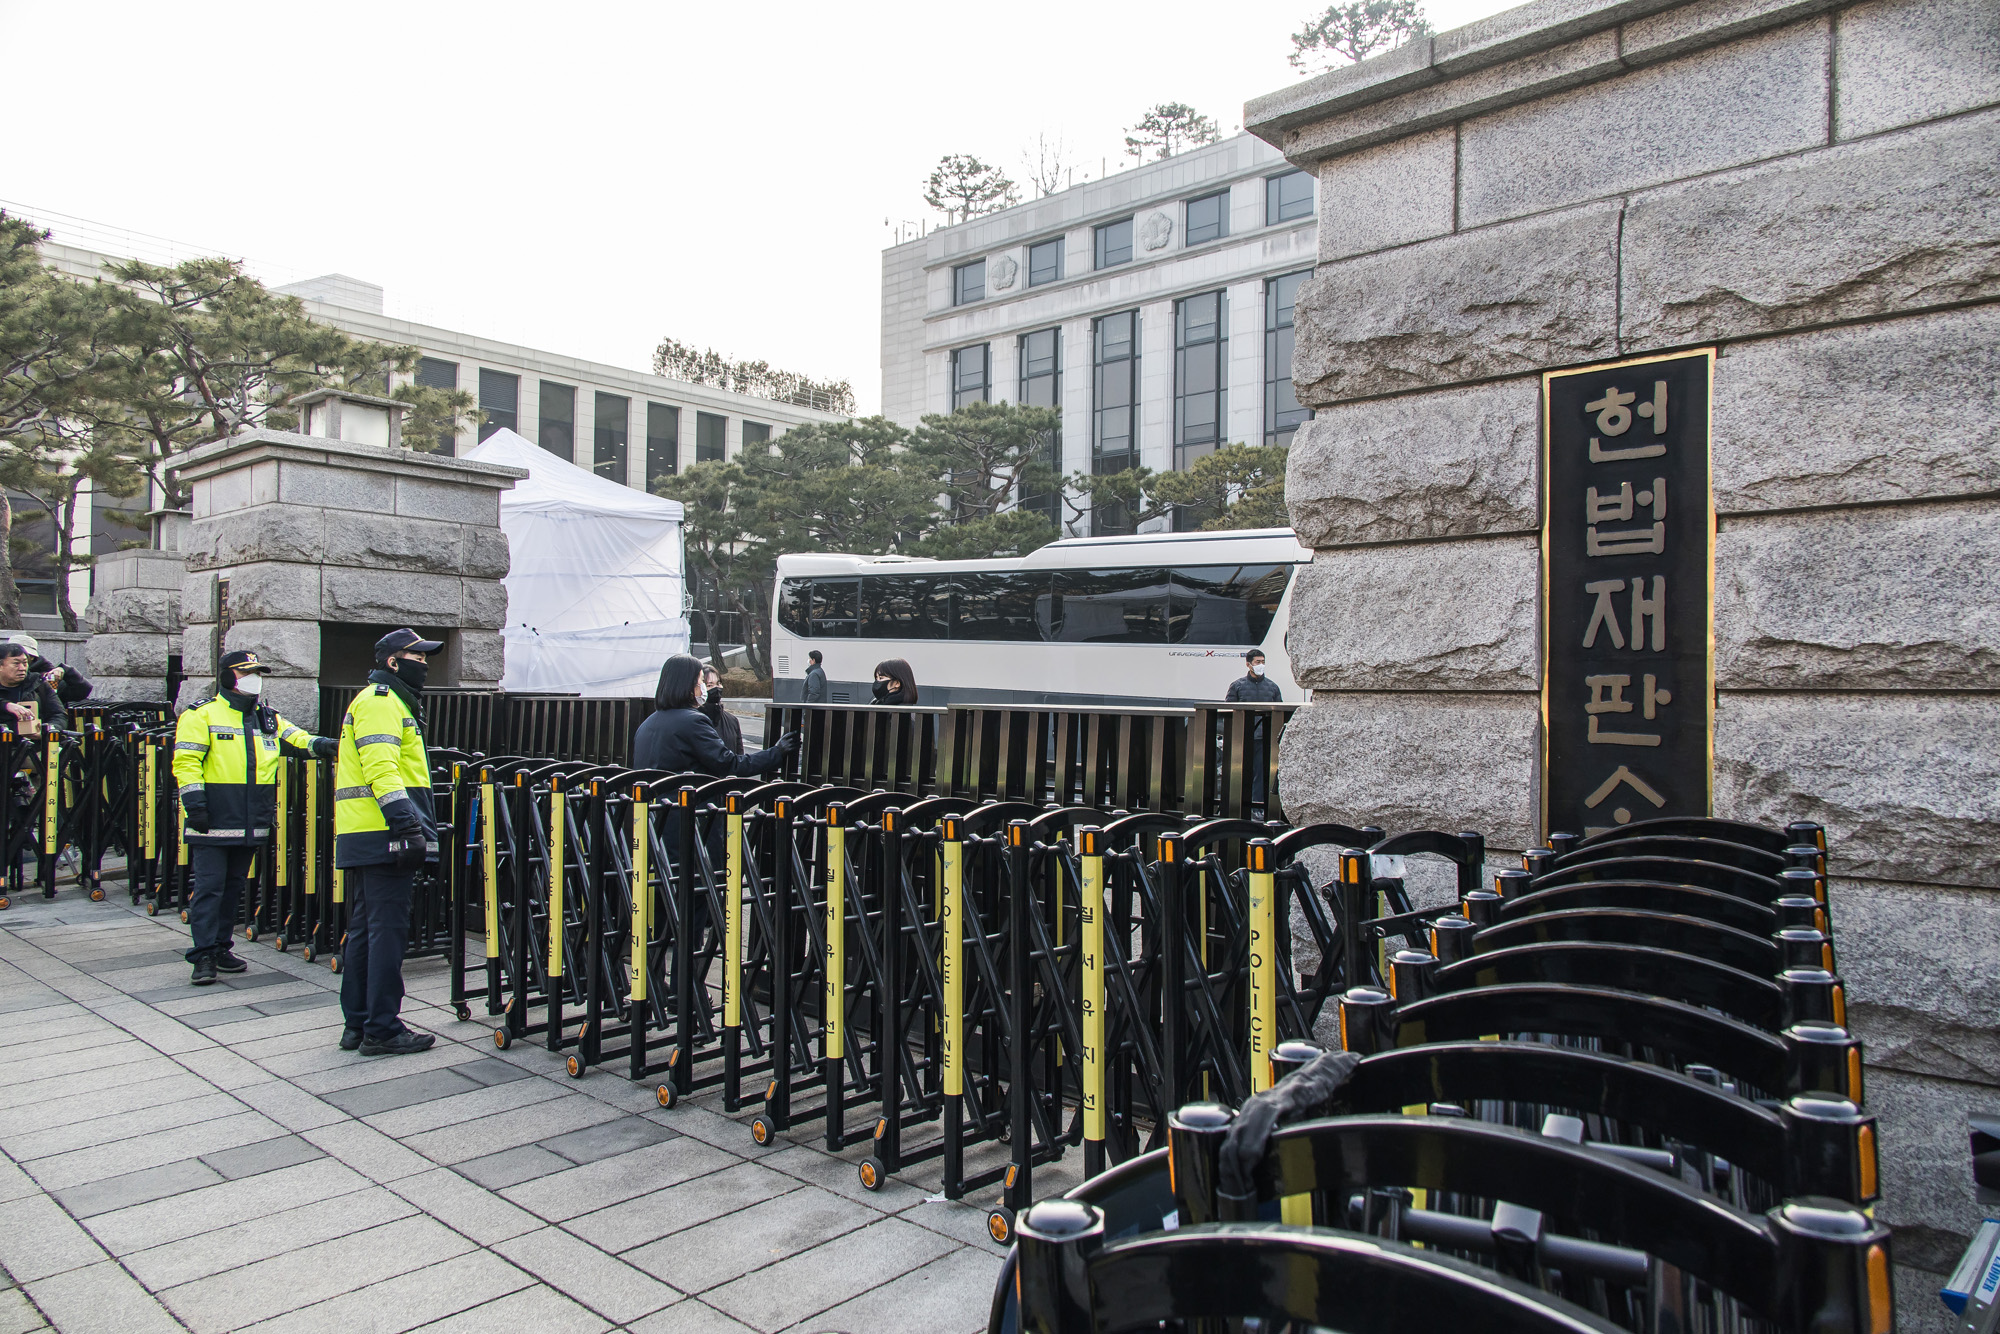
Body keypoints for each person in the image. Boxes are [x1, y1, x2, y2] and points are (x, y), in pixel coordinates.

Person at [173, 651, 335, 985]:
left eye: (258, 673)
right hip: (214, 817)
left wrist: (329, 745)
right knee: (209, 889)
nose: (254, 679)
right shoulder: (201, 714)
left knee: (234, 888)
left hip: (250, 819)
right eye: (246, 673)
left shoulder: (268, 718)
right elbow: (186, 762)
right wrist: (195, 804)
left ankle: (220, 947)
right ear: (227, 677)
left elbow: (299, 739)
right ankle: (202, 955)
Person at [332, 629, 443, 1056]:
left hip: (366, 833)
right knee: (386, 933)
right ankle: (382, 1027)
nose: (425, 664)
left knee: (364, 931)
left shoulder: (380, 701)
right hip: (384, 834)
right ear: (393, 662)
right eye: (417, 656)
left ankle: (358, 1024)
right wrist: (408, 826)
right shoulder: (382, 703)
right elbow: (383, 771)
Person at [634, 654, 796, 776]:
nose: (703, 687)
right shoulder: (693, 721)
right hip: (689, 814)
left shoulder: (647, 724)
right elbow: (729, 764)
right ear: (688, 685)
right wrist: (776, 752)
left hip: (652, 815)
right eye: (701, 681)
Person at [4, 634, 91, 706]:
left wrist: (66, 671)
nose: (21, 667)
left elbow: (82, 690)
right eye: (15, 660)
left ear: (32, 657)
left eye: (24, 658)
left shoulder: (48, 678)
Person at [0, 642, 67, 733]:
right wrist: (6, 705)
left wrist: (46, 732)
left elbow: (58, 714)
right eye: (16, 664)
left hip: (35, 744)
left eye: (25, 663)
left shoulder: (38, 683)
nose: (22, 668)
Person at [701, 665, 744, 755]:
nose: (716, 688)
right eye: (710, 685)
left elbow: (739, 756)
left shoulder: (732, 721)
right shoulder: (693, 720)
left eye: (718, 683)